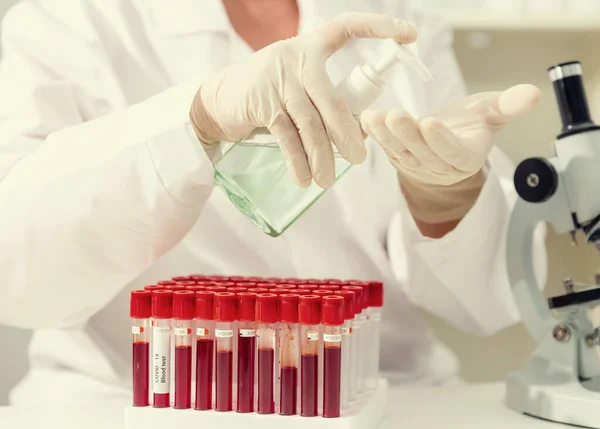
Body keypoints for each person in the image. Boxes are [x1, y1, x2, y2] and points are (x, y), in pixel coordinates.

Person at [0, 0, 546, 404]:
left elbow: (491, 303)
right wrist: (197, 117)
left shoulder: (395, 16)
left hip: (372, 394)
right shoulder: (64, 20)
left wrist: (443, 198)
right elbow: (16, 277)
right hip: (129, 398)